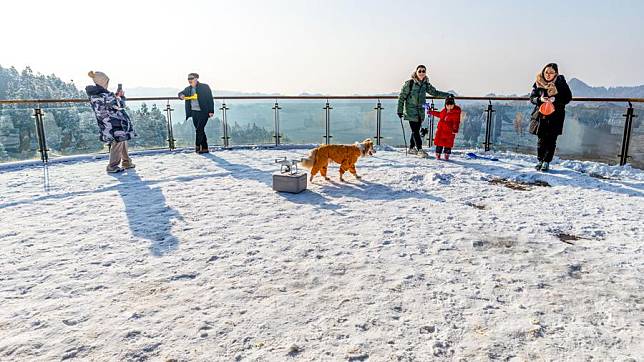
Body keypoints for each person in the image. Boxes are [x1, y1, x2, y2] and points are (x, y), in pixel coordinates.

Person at [86, 71, 136, 173]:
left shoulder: (96, 94)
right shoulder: (104, 95)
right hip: (113, 122)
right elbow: (119, 105)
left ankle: (127, 162)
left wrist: (116, 97)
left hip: (107, 122)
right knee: (118, 141)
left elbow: (110, 104)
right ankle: (112, 166)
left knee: (122, 139)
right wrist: (121, 97)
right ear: (102, 82)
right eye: (106, 81)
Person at [397, 64, 452, 157]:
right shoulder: (409, 83)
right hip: (411, 110)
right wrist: (400, 110)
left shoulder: (425, 84)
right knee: (415, 130)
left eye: (423, 71)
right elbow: (401, 97)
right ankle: (420, 150)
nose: (421, 73)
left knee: (416, 130)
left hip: (420, 111)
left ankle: (411, 148)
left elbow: (435, 93)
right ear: (416, 72)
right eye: (420, 71)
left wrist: (447, 95)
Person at [529, 63, 573, 171]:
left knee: (551, 140)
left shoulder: (561, 83)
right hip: (541, 115)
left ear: (556, 74)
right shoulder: (538, 82)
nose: (548, 75)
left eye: (551, 73)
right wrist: (540, 100)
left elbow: (568, 98)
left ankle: (546, 162)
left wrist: (555, 100)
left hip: (555, 116)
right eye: (546, 72)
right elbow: (532, 98)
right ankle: (540, 160)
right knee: (541, 139)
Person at [178, 73, 214, 154]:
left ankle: (197, 146)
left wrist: (211, 111)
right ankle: (205, 148)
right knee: (200, 130)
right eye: (188, 78)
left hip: (204, 112)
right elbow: (180, 93)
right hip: (194, 112)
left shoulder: (205, 87)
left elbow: (210, 99)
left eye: (191, 78)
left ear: (196, 78)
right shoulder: (188, 89)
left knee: (199, 129)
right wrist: (181, 96)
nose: (189, 80)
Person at [428, 96, 461, 160]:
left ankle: (447, 154)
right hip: (441, 131)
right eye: (448, 105)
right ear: (445, 105)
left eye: (451, 105)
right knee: (439, 144)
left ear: (454, 105)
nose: (449, 106)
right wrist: (431, 112)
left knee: (448, 144)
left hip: (449, 131)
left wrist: (455, 129)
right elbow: (439, 114)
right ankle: (438, 154)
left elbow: (456, 122)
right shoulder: (444, 111)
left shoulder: (456, 113)